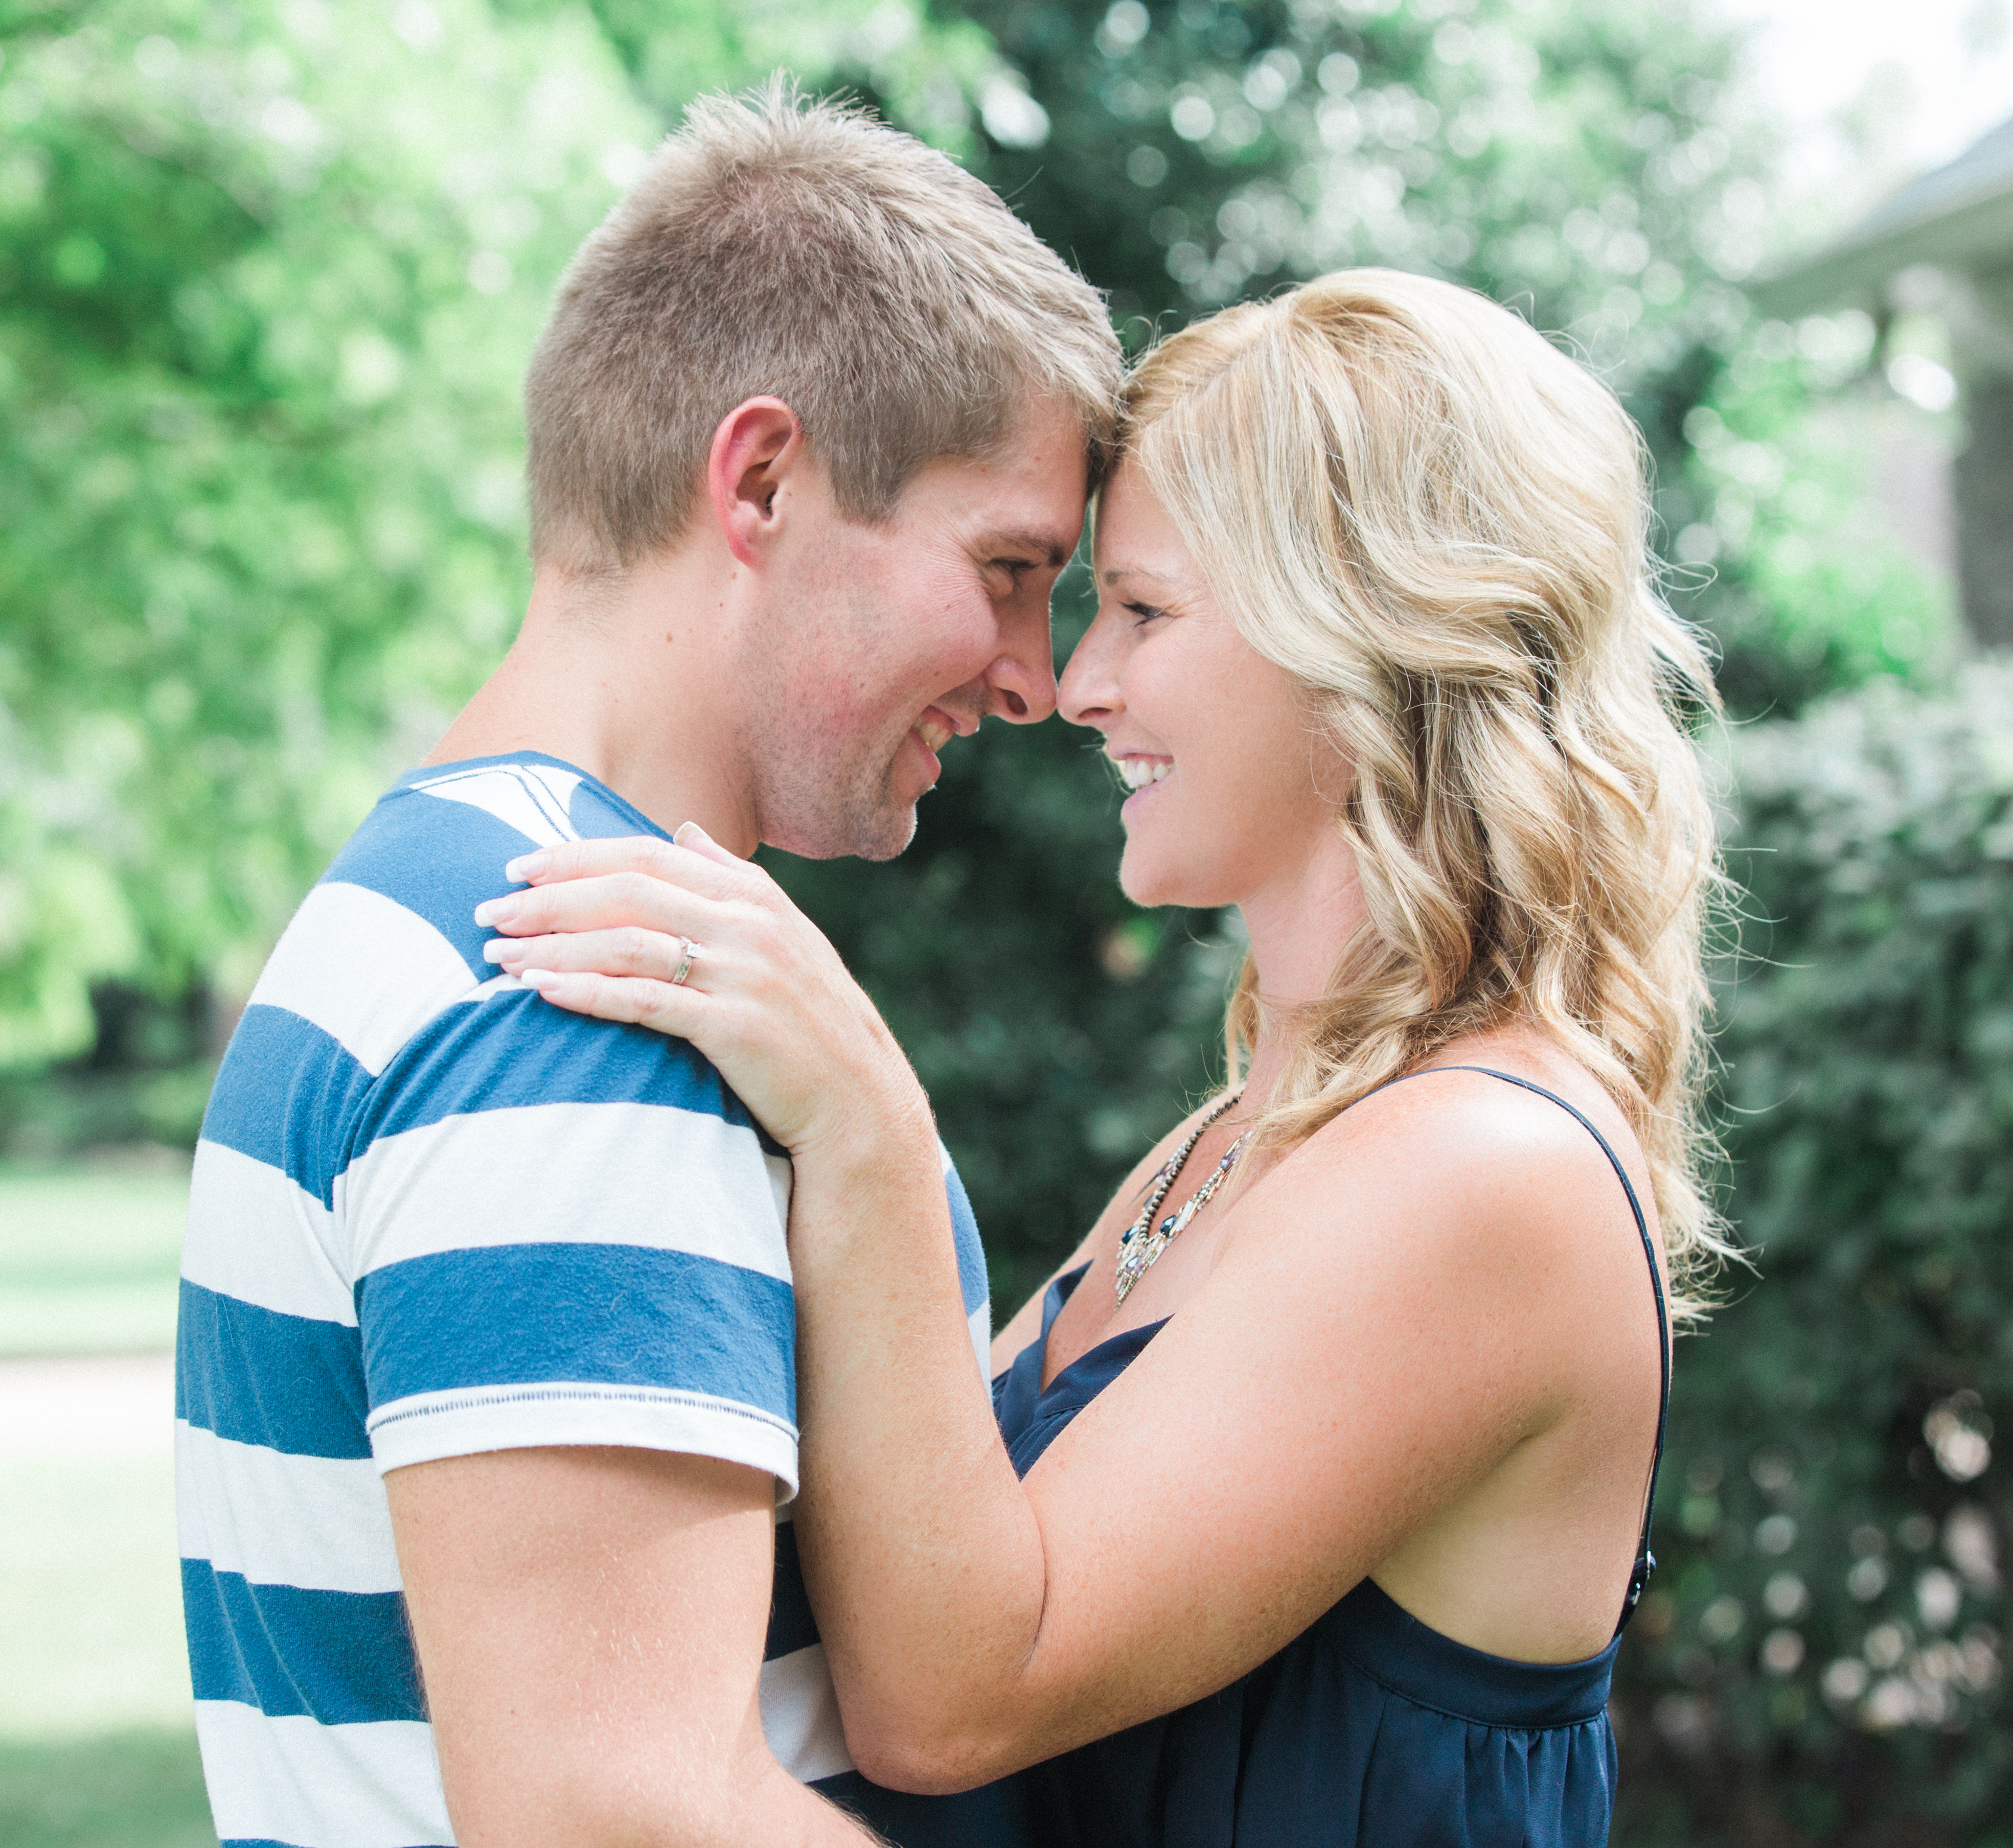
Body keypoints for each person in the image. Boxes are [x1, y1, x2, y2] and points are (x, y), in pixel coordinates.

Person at [477, 268, 1734, 1845]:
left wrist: (863, 1125)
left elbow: (952, 1698)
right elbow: (909, 1548)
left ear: (1356, 631)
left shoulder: (1489, 1171)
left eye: (1143, 611)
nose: (1076, 684)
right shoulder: (1232, 1144)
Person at [172, 84, 1118, 1848]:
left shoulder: (460, 903)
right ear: (761, 480)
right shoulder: (579, 1003)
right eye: (1004, 571)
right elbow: (622, 1809)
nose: (1033, 676)